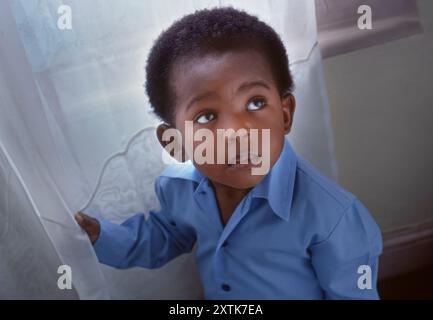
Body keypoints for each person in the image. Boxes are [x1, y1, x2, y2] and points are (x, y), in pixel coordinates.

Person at [75, 7, 382, 299]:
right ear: (175, 142)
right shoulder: (178, 189)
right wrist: (100, 237)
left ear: (285, 115)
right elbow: (164, 236)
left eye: (255, 103)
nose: (238, 132)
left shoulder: (333, 218)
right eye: (207, 116)